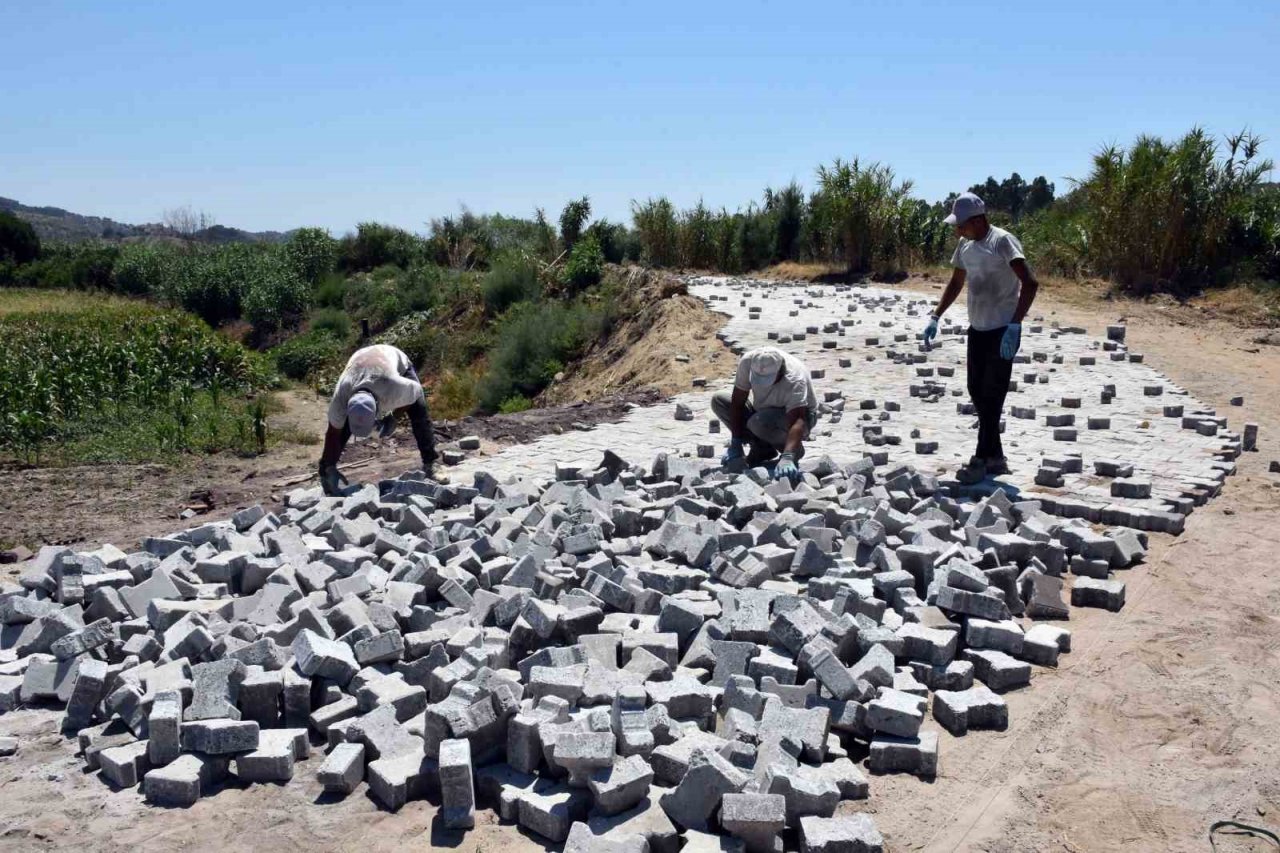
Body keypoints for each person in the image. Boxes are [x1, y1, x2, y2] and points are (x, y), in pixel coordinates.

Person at [924, 192, 1040, 484]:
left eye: (961, 225)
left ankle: (979, 459)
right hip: (977, 329)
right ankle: (996, 458)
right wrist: (936, 315)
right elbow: (956, 282)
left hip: (1002, 330)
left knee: (993, 395)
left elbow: (1030, 282)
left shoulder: (1002, 241)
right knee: (976, 390)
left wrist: (1015, 324)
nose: (957, 231)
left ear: (977, 220)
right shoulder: (965, 246)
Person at [319, 344, 437, 495]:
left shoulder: (395, 386)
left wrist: (394, 416)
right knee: (341, 428)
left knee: (419, 410)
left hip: (394, 358)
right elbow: (333, 433)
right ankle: (326, 473)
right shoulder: (341, 398)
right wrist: (328, 466)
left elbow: (417, 392)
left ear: (377, 408)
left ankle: (431, 463)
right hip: (360, 360)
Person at [711, 346, 818, 483]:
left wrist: (788, 456)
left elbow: (798, 420)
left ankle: (793, 450)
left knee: (758, 422)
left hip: (801, 416)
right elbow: (737, 402)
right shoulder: (748, 362)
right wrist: (735, 443)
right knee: (720, 400)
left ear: (780, 371)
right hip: (763, 411)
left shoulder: (795, 379)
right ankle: (763, 448)